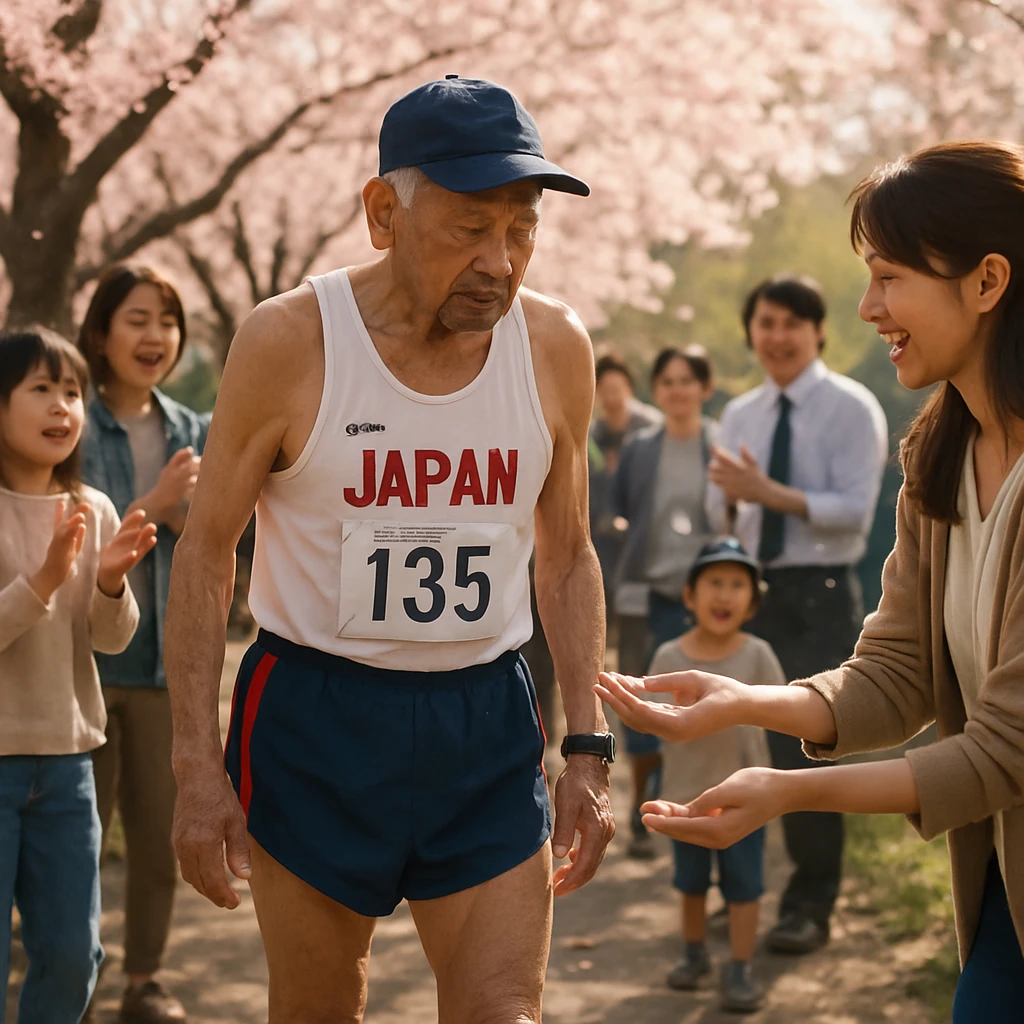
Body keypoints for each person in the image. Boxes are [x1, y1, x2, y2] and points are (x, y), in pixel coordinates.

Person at [164, 75, 615, 1024]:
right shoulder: (290, 340)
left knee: (506, 1009)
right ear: (383, 212)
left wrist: (587, 746)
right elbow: (207, 554)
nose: (500, 260)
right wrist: (196, 772)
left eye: (522, 229)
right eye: (469, 227)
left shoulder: (554, 348)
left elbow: (567, 555)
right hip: (316, 716)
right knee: (321, 1007)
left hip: (485, 716)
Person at [596, 140, 1024, 1022]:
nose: (867, 308)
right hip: (1006, 897)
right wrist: (743, 700)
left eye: (891, 276)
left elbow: (1004, 751)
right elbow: (898, 673)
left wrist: (786, 790)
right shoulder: (938, 454)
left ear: (987, 282)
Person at [704, 274, 888, 952]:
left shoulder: (851, 406)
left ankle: (811, 903)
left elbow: (852, 515)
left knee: (808, 754)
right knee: (740, 738)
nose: (777, 337)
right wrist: (729, 502)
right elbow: (719, 510)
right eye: (766, 323)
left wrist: (767, 492)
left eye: (791, 324)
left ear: (817, 332)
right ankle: (745, 886)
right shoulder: (741, 413)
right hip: (750, 593)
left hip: (820, 594)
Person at [0, 328, 155, 1023]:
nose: (63, 405)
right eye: (41, 388)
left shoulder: (94, 509)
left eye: (73, 392)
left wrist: (113, 583)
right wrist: (41, 582)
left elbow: (110, 640)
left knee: (71, 956)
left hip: (68, 767)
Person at [76, 264, 207, 1024]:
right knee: (82, 843)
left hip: (166, 666)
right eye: (136, 318)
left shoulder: (194, 431)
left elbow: (227, 535)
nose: (154, 335)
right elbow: (73, 531)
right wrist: (155, 506)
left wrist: (193, 519)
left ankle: (144, 981)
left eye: (167, 319)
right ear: (100, 334)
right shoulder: (72, 424)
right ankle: (78, 972)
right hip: (85, 666)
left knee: (160, 843)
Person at [647, 538, 784, 1013]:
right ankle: (693, 952)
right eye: (714, 583)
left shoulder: (759, 655)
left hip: (746, 798)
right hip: (685, 797)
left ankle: (741, 966)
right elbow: (648, 716)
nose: (724, 595)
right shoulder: (669, 656)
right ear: (689, 595)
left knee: (745, 886)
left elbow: (783, 711)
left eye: (737, 585)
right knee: (690, 882)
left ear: (753, 601)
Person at [610, 344, 716, 858]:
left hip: (703, 600)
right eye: (667, 381)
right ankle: (642, 805)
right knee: (641, 698)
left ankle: (694, 805)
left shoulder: (720, 445)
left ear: (704, 389)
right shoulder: (639, 448)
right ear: (657, 391)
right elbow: (625, 508)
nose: (677, 390)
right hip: (644, 595)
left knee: (698, 701)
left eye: (686, 380)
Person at [589, 351, 661, 612]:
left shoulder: (651, 427)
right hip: (603, 528)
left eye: (616, 389)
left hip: (643, 526)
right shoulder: (593, 431)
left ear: (629, 388)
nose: (611, 397)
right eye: (604, 390)